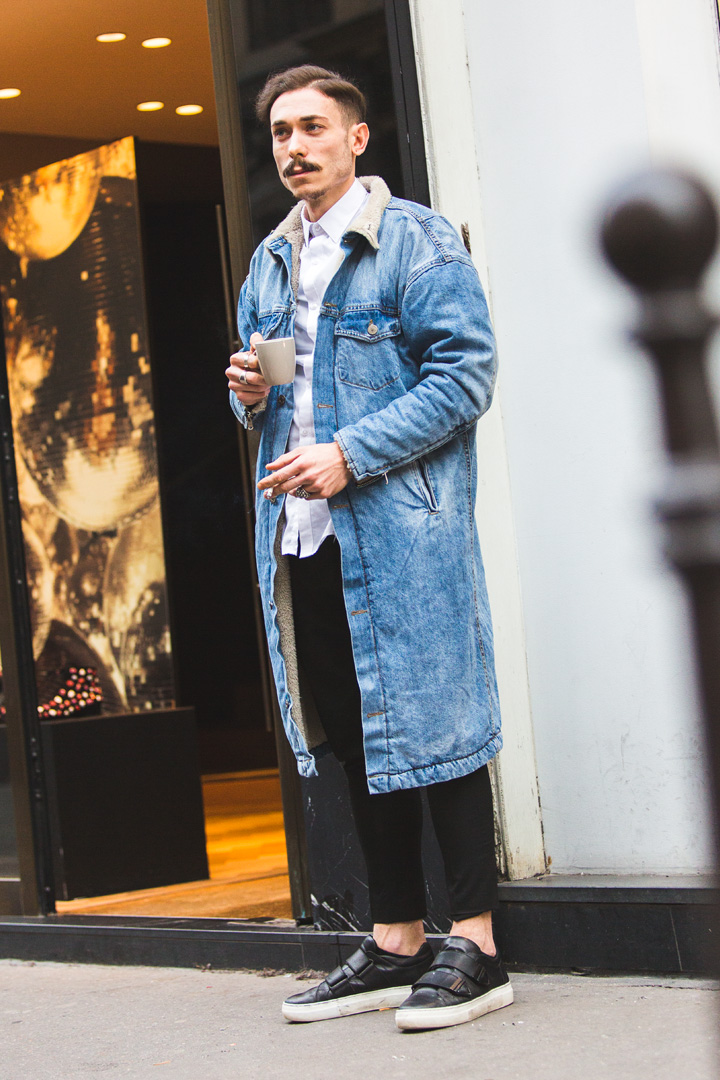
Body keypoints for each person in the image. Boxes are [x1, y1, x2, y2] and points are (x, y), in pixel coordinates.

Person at [226, 64, 512, 1032]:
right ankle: (396, 940)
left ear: (356, 138)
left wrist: (350, 454)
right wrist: (250, 395)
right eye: (280, 133)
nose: (294, 147)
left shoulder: (415, 241)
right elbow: (274, 388)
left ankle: (477, 943)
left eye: (313, 127)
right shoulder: (271, 260)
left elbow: (464, 377)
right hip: (302, 536)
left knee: (439, 727)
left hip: (401, 533)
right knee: (354, 736)